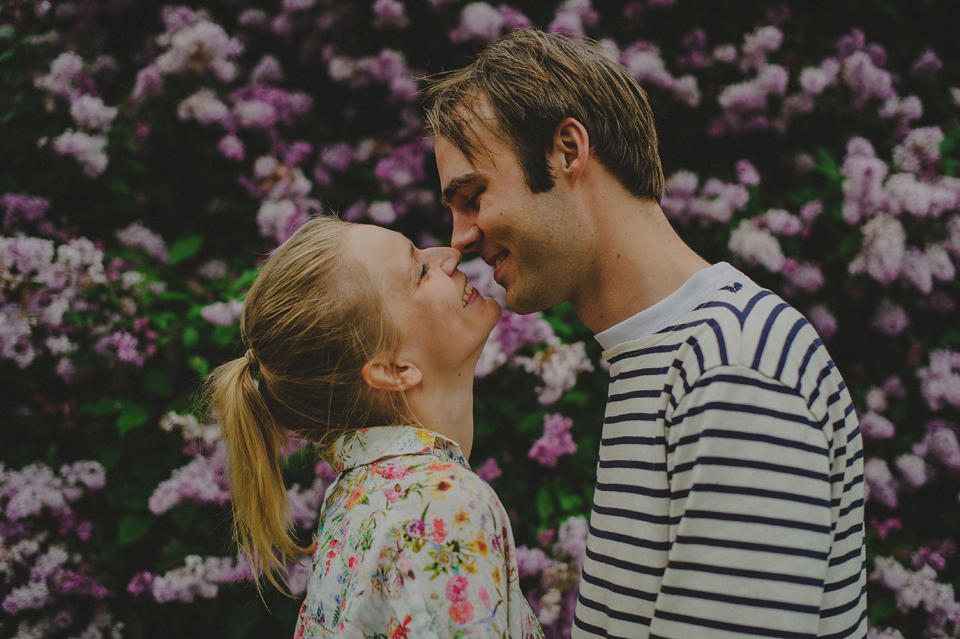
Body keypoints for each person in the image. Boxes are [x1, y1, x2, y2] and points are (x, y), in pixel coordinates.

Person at [425, 29, 866, 639]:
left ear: (568, 150)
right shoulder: (659, 355)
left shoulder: (731, 365)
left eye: (472, 196)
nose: (460, 238)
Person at [206, 216, 543, 638]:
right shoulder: (441, 506)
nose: (451, 254)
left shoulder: (356, 499)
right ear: (393, 369)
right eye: (420, 271)